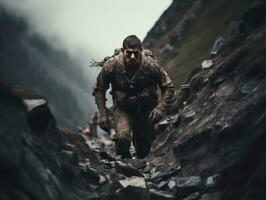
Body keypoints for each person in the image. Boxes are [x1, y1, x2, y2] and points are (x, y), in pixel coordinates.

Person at [92, 35, 175, 158]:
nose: (132, 57)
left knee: (144, 151)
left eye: (136, 53)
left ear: (141, 51)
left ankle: (140, 166)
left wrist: (160, 109)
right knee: (122, 137)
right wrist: (103, 114)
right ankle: (123, 167)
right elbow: (99, 89)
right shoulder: (111, 65)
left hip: (145, 108)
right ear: (122, 50)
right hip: (122, 107)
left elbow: (168, 87)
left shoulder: (151, 65)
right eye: (129, 53)